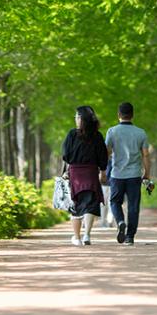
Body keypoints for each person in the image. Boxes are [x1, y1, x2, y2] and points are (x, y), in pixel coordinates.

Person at [61, 105, 108, 246]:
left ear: (81, 119)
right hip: (91, 173)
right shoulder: (98, 136)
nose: (75, 119)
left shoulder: (72, 134)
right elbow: (103, 157)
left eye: (76, 116)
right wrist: (103, 172)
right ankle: (87, 234)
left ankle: (77, 237)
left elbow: (65, 155)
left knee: (76, 204)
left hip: (75, 173)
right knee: (90, 204)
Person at [105, 101, 150, 245]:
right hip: (134, 175)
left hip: (117, 174)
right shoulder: (141, 132)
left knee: (114, 202)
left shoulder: (112, 131)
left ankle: (120, 221)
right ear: (132, 115)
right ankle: (130, 237)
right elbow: (146, 155)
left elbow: (107, 152)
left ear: (118, 115)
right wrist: (147, 174)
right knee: (133, 205)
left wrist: (102, 170)